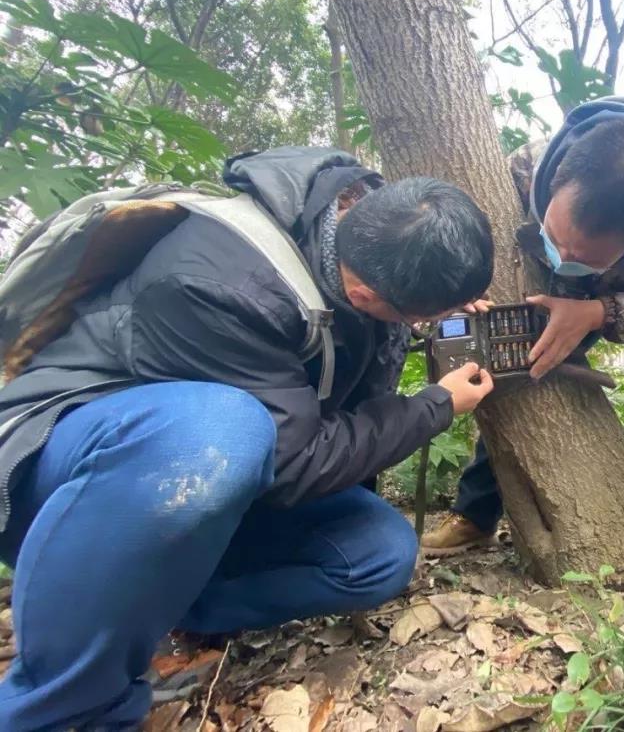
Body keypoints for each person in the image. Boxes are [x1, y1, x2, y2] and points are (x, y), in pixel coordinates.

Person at [0, 147, 496, 730]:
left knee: (377, 553)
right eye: (418, 317)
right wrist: (435, 406)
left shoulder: (372, 244)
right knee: (222, 425)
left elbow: (329, 423)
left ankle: (173, 612)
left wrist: (441, 306)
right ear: (366, 296)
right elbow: (296, 465)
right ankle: (63, 705)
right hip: (76, 463)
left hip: (215, 482)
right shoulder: (215, 282)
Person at [421, 97, 624, 589]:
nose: (563, 254)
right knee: (521, 359)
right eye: (556, 236)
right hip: (557, 295)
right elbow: (471, 238)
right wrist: (463, 287)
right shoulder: (527, 167)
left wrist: (600, 311)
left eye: (584, 256)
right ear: (554, 185)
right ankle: (476, 513)